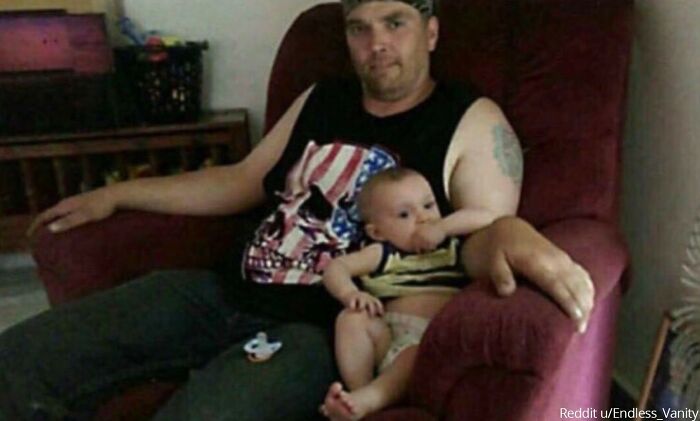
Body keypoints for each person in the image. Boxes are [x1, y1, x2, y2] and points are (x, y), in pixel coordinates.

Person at [0, 0, 594, 420]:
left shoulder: (472, 118)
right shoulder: (323, 98)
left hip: (316, 332)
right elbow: (240, 180)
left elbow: (477, 237)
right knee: (18, 361)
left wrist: (517, 235)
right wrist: (117, 194)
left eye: (395, 23)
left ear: (431, 32)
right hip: (218, 291)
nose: (376, 44)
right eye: (359, 28)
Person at [320, 167, 478, 420]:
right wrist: (350, 294)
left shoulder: (451, 247)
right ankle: (359, 393)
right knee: (350, 318)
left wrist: (444, 227)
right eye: (405, 214)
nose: (423, 218)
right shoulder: (383, 254)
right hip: (388, 339)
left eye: (428, 205)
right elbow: (336, 268)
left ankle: (369, 400)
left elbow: (487, 217)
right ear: (377, 232)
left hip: (430, 342)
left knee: (413, 354)